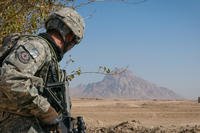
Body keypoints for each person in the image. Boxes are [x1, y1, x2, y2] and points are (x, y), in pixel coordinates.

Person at [0, 7, 84, 133]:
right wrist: (47, 112)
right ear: (69, 36)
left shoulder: (49, 55)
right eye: (74, 42)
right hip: (13, 122)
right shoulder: (37, 47)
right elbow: (10, 79)